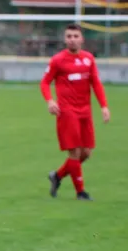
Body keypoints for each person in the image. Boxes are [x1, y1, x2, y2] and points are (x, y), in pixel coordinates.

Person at [40, 23, 110, 200]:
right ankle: (81, 192)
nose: (72, 39)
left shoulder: (88, 59)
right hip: (67, 111)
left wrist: (104, 106)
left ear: (82, 39)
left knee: (86, 153)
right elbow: (45, 82)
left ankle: (57, 176)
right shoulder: (58, 60)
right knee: (75, 152)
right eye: (69, 36)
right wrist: (50, 101)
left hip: (85, 112)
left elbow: (96, 83)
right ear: (65, 39)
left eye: (75, 36)